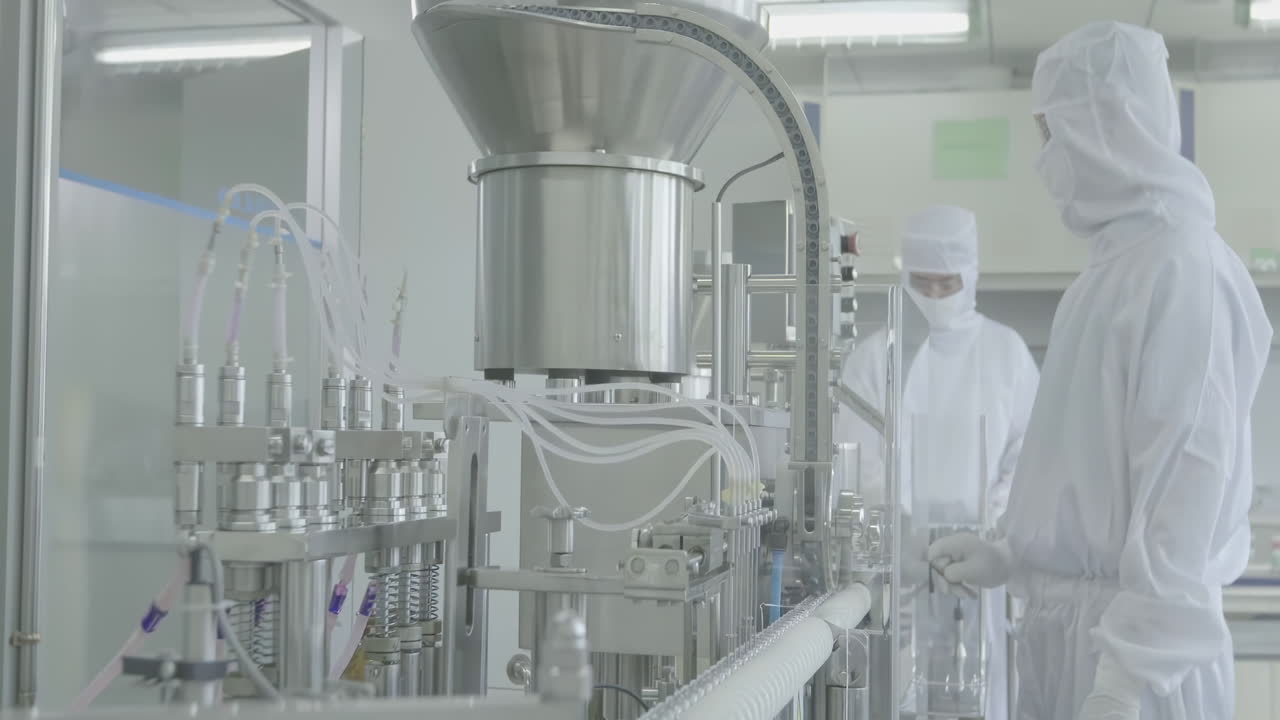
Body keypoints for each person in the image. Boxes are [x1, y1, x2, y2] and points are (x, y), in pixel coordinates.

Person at [927, 21, 1272, 720]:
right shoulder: (1109, 273)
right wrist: (1014, 557)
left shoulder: (1183, 268)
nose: (1044, 160)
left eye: (1051, 134)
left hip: (1140, 670)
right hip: (1077, 643)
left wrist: (1125, 681)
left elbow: (1184, 487)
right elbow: (1081, 471)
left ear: (1103, 128)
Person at [837, 204, 1039, 720]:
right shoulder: (875, 358)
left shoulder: (1006, 354)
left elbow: (1029, 461)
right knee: (897, 696)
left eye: (947, 285)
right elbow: (856, 462)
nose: (934, 299)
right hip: (897, 578)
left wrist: (987, 525)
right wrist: (907, 536)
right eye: (922, 285)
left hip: (981, 576)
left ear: (970, 276)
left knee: (976, 694)